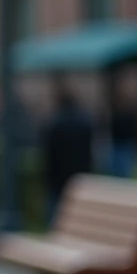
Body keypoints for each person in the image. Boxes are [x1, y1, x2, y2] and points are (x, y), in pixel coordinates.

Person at [41, 86, 94, 227]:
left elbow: (49, 155)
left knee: (55, 217)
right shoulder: (85, 122)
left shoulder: (55, 124)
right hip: (80, 176)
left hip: (59, 179)